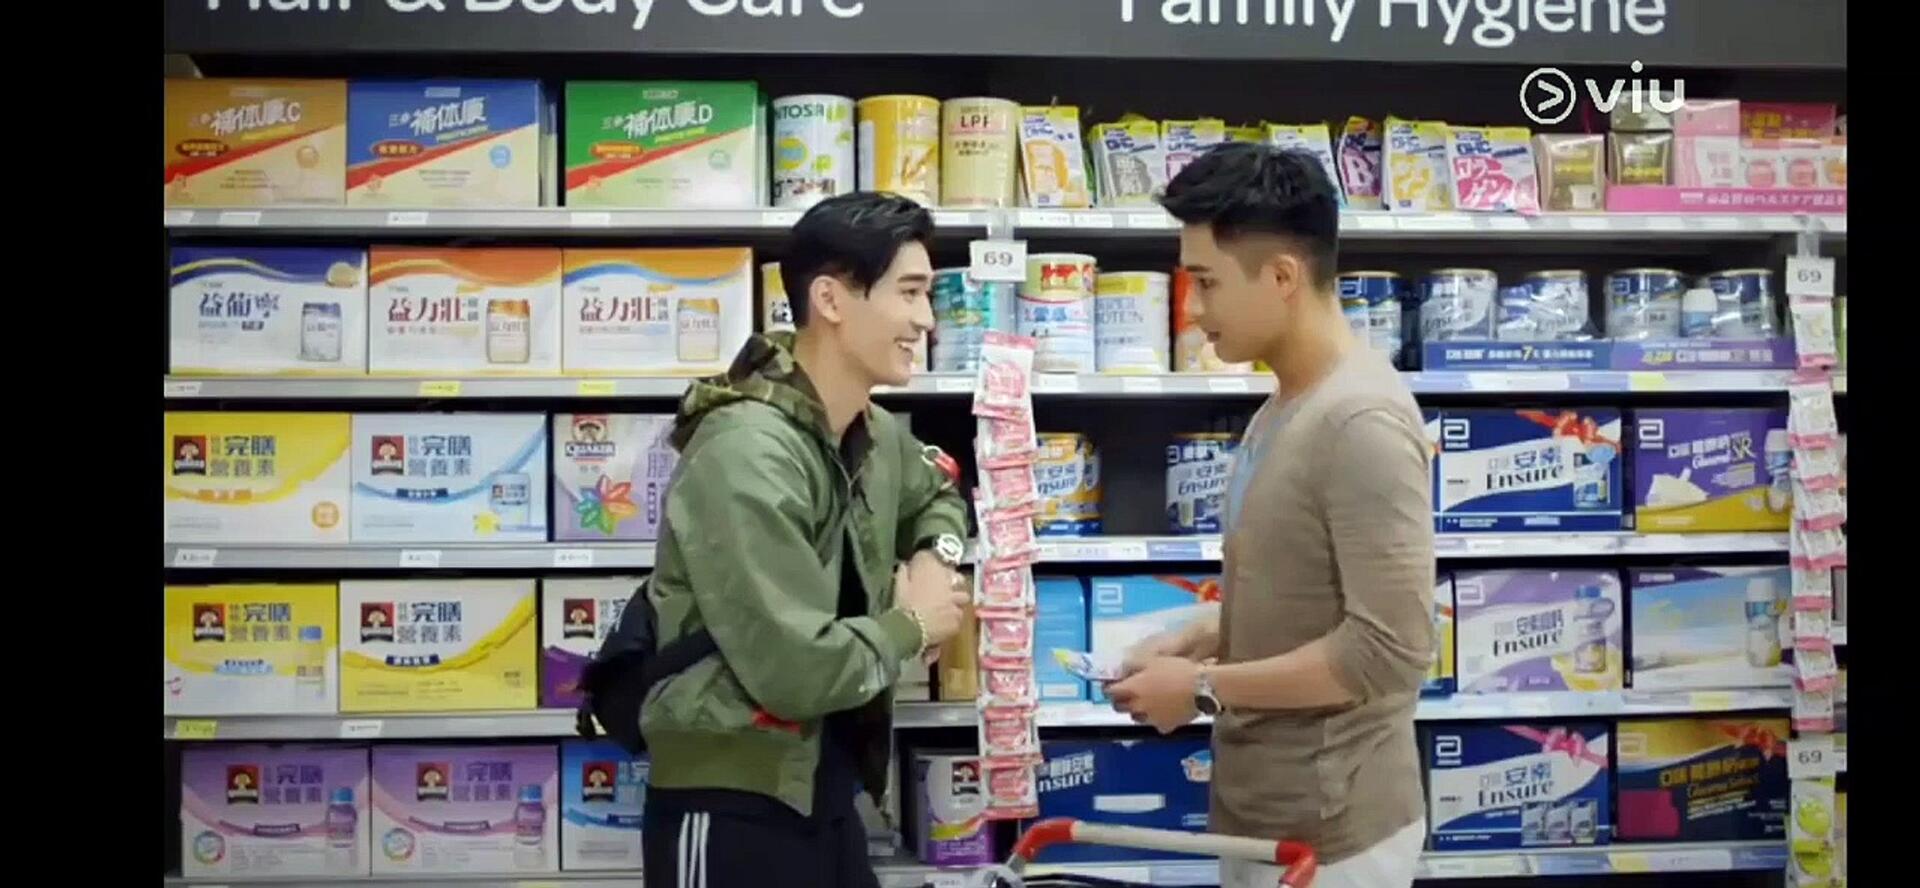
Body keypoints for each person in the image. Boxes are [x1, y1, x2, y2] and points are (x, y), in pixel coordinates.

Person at [1106, 143, 1436, 888]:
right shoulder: (1284, 405)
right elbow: (1305, 592)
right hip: (1265, 820)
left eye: (1207, 282)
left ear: (1283, 277)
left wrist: (1201, 686)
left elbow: (1387, 651)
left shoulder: (1361, 423)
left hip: (1334, 837)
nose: (1194, 309)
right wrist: (1201, 634)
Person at [638, 191, 973, 888]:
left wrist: (932, 559)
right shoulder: (746, 451)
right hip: (733, 802)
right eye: (910, 292)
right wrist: (914, 625)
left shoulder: (870, 430)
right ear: (831, 299)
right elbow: (793, 672)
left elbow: (938, 492)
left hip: (823, 787)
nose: (927, 319)